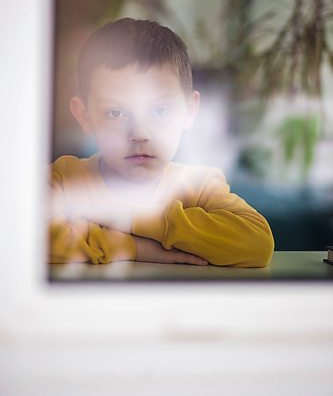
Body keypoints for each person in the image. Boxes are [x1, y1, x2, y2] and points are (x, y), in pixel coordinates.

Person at [49, 18, 274, 267]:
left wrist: (130, 216)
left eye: (159, 111)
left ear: (189, 111)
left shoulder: (199, 185)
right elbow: (21, 238)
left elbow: (257, 244)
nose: (139, 133)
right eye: (116, 113)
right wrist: (132, 247)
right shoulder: (64, 178)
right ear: (84, 116)